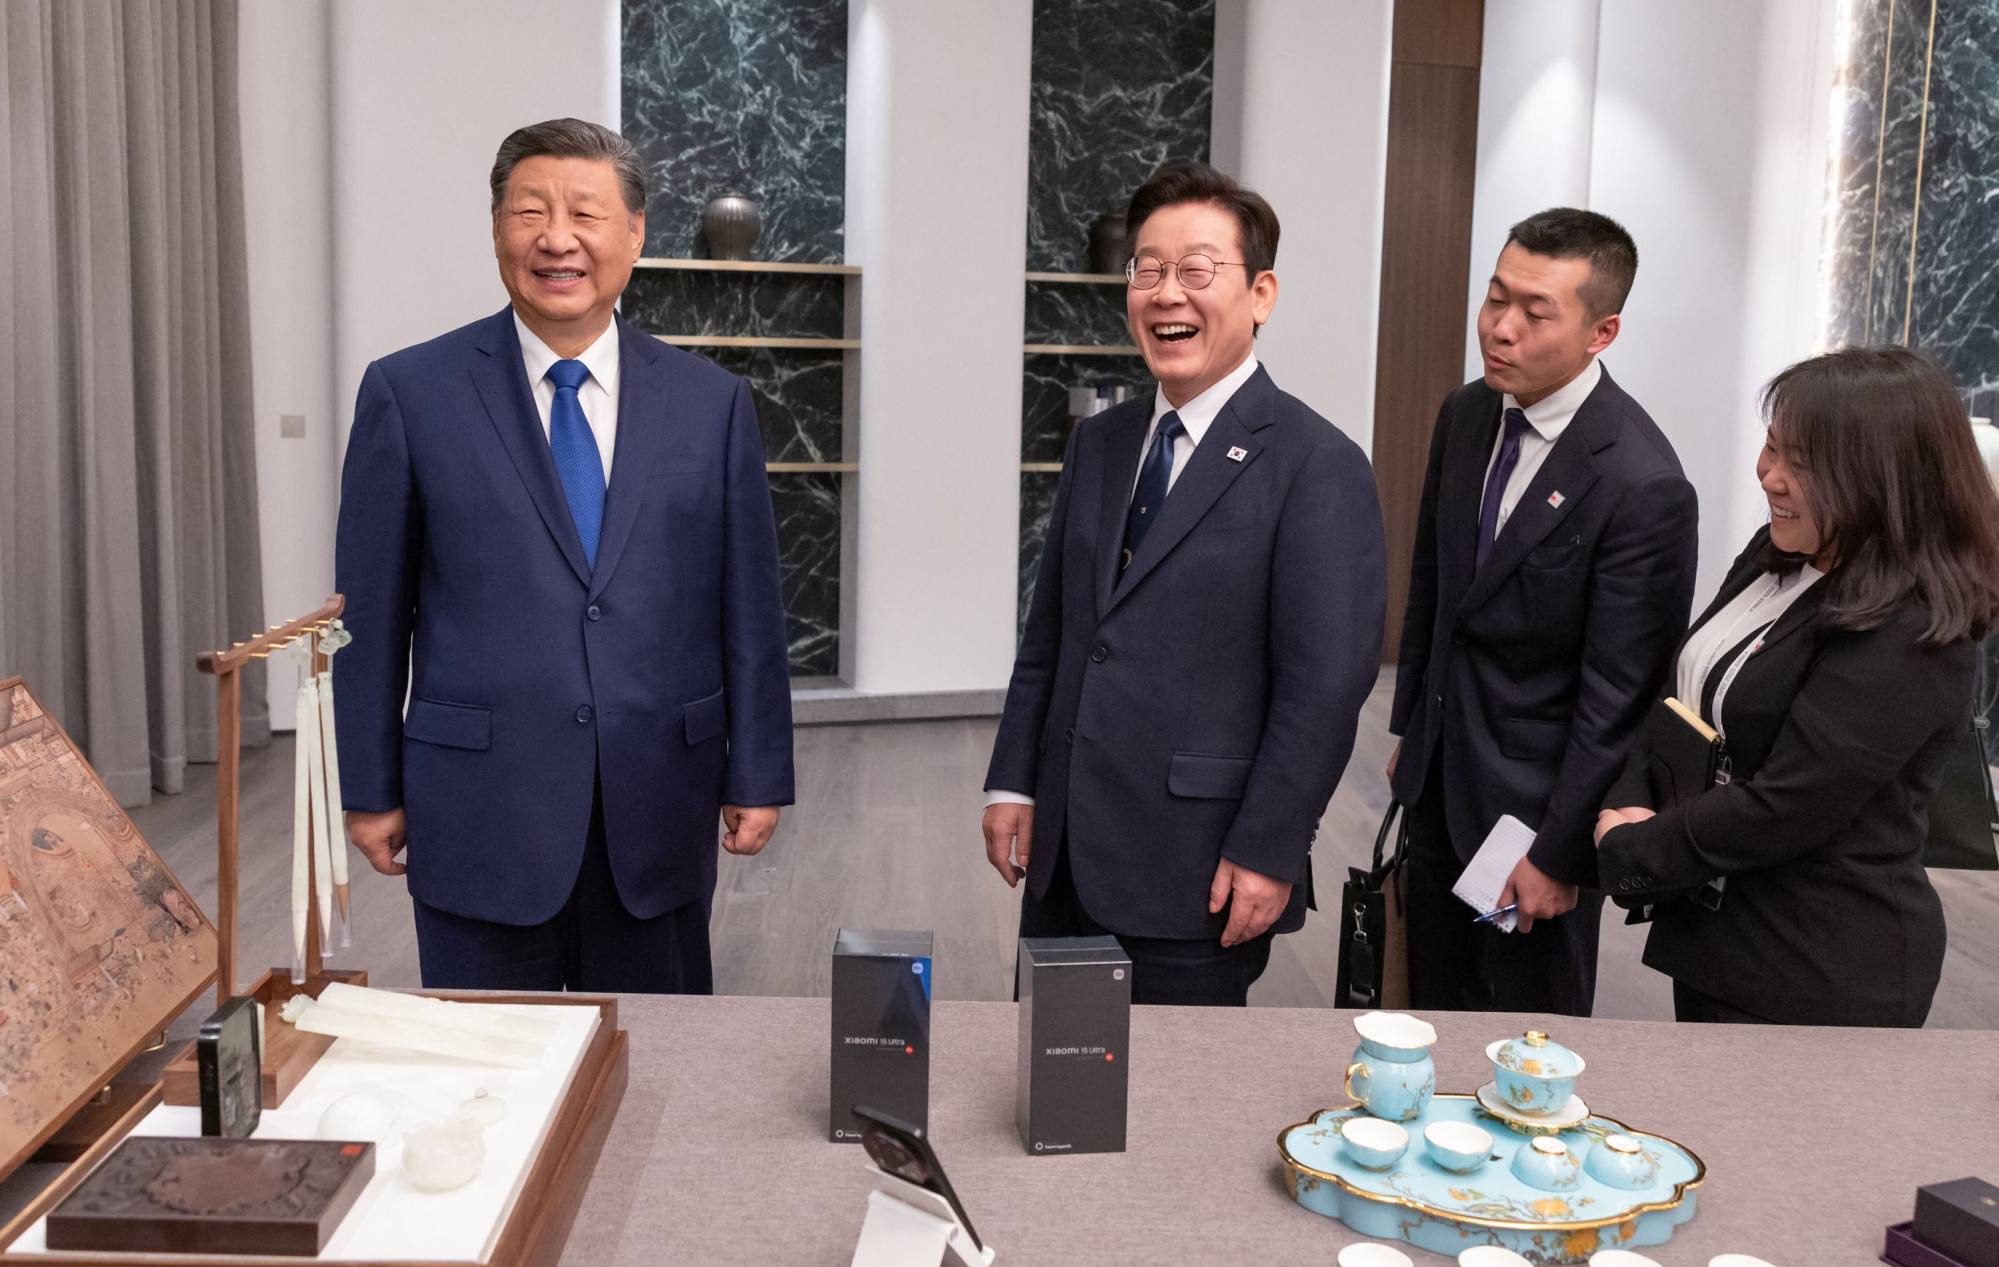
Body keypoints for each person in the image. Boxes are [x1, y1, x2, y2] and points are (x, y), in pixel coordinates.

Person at [333, 118, 794, 992]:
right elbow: (371, 610)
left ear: (634, 233)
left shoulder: (711, 402)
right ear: (497, 229)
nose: (556, 238)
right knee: (487, 1075)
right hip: (479, 807)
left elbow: (750, 608)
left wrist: (759, 768)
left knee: (659, 1064)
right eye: (528, 212)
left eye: (585, 212)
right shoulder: (410, 391)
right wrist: (369, 784)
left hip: (659, 799)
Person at [981, 160, 1386, 1007]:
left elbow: (1322, 689)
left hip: (1196, 865)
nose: (1167, 293)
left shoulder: (1317, 465)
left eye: (1197, 270)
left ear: (1261, 293)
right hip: (1062, 852)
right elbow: (1054, 630)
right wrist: (1015, 778)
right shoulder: (1101, 441)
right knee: (1050, 1093)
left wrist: (1270, 846)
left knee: (1172, 1110)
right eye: (1148, 269)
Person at [1596, 346, 1999, 1026]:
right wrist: (1629, 797)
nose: (1769, 477)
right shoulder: (1780, 550)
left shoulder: (1913, 630)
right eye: (1770, 447)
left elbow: (1789, 804)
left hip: (1818, 966)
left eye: (1802, 463)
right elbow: (1684, 693)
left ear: (1883, 478)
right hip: (1719, 934)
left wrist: (1634, 849)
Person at [1388, 208, 1697, 1016]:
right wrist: (1409, 731)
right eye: (1495, 298)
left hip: (1533, 808)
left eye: (1534, 312)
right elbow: (1434, 587)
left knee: (1521, 1038)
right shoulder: (1465, 414)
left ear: (1602, 332)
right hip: (1438, 773)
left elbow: (1620, 695)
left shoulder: (1640, 481)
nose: (1500, 328)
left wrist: (1559, 849)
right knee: (1428, 1008)